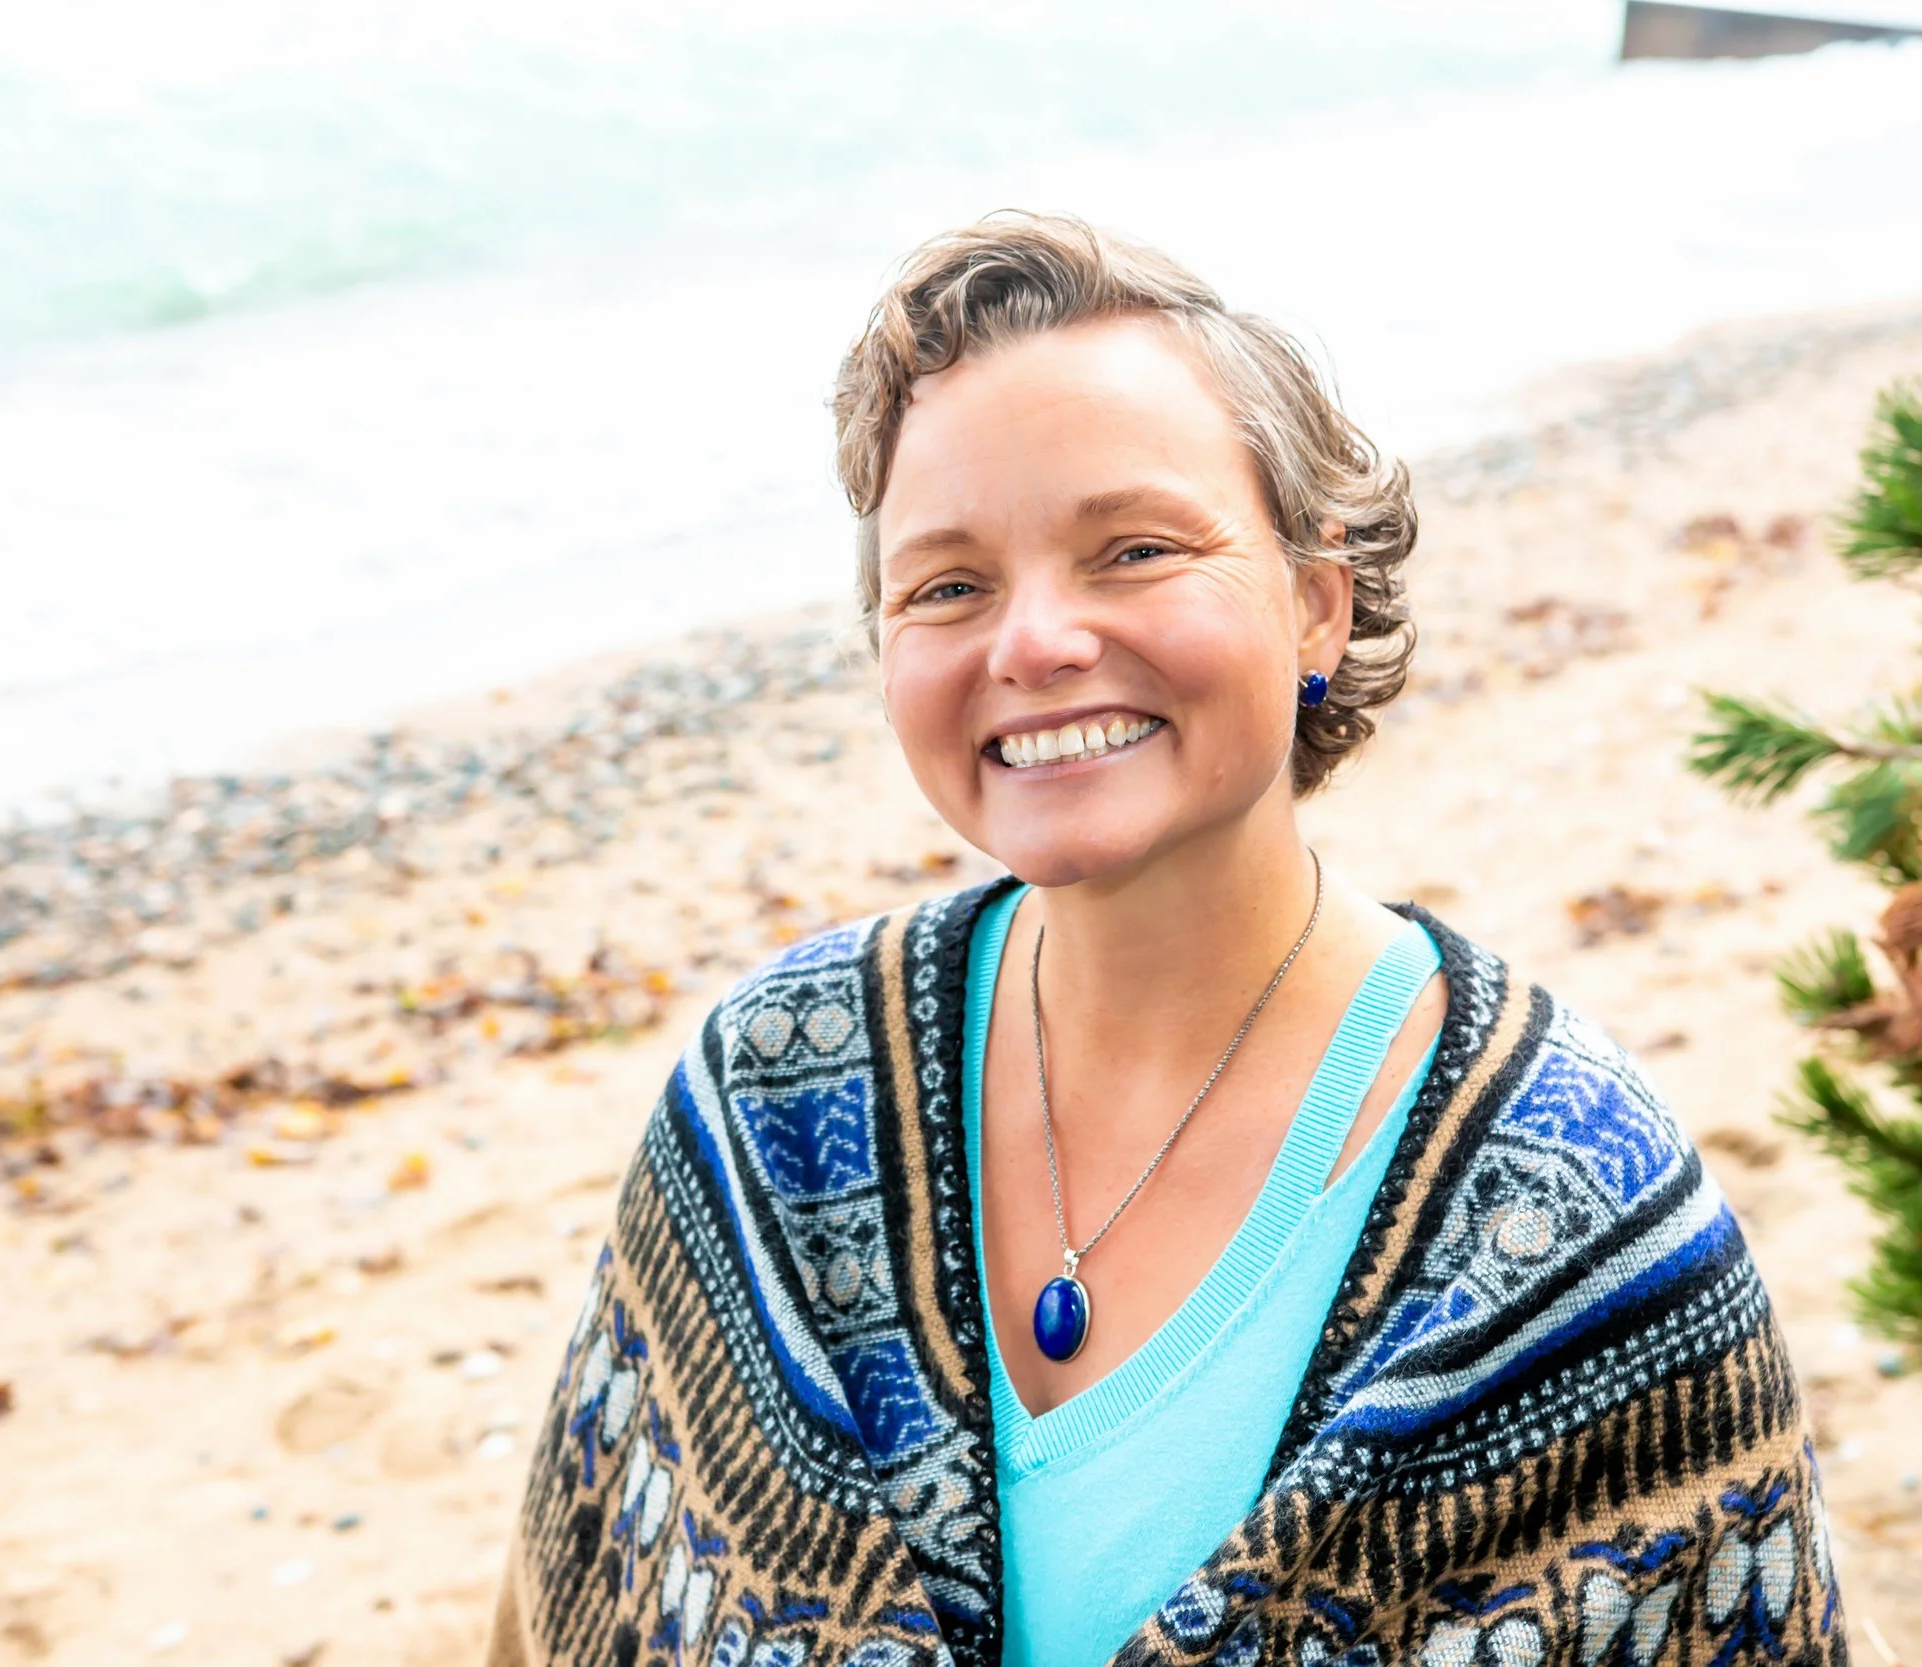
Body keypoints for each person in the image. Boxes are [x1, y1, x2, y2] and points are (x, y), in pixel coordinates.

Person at [489, 213, 1843, 1667]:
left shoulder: (1577, 1205)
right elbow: (565, 1608)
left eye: (1133, 548)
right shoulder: (774, 1097)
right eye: (947, 584)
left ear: (1316, 602)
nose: (1034, 642)